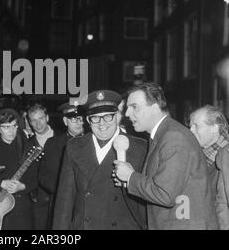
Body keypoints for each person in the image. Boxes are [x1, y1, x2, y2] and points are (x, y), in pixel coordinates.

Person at [114, 82, 218, 229]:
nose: (127, 113)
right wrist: (129, 180)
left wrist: (131, 177)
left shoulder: (173, 137)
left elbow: (165, 194)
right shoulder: (162, 135)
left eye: (134, 107)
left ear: (155, 108)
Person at [53, 90, 147, 230]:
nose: (102, 124)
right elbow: (64, 200)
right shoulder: (75, 146)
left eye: (108, 116)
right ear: (88, 121)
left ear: (118, 117)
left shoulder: (140, 148)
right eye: (95, 118)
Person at [0, 108, 38, 230]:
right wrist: (1, 183)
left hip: (23, 208)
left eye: (14, 126)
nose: (11, 130)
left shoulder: (27, 147)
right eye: (6, 127)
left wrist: (23, 186)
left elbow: (36, 177)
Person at [38, 101, 84, 228]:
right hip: (61, 202)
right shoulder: (53, 143)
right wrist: (61, 189)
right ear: (65, 121)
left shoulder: (92, 142)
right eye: (74, 119)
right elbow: (44, 175)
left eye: (81, 119)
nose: (79, 123)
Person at [27, 103, 57, 229]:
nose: (38, 124)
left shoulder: (63, 139)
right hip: (37, 202)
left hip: (59, 198)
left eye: (41, 118)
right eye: (34, 120)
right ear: (29, 122)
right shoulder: (27, 144)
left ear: (47, 118)